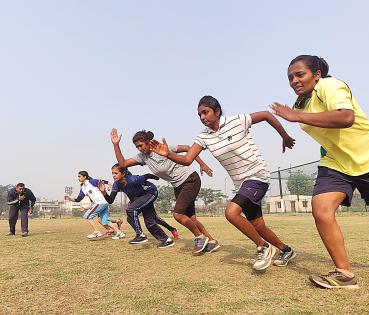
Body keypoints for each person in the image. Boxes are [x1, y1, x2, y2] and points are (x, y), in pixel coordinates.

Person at [270, 54, 369, 289]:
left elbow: (346, 117)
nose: (294, 81)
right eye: (290, 77)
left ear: (317, 74)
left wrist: (296, 116)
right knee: (321, 209)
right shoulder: (301, 103)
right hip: (337, 163)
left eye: (300, 74)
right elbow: (326, 133)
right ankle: (344, 275)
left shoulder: (330, 85)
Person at [150, 96, 296, 271]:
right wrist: (168, 155)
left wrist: (285, 137)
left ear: (217, 111)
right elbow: (188, 159)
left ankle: (263, 247)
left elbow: (266, 115)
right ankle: (286, 250)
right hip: (241, 183)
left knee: (231, 212)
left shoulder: (238, 121)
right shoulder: (203, 137)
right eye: (199, 115)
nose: (202, 117)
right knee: (258, 225)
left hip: (257, 175)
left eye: (205, 112)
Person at [110, 128, 219, 255]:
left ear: (148, 142)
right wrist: (116, 145)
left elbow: (189, 148)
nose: (139, 149)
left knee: (178, 214)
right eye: (136, 147)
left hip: (190, 180)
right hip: (178, 185)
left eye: (140, 145)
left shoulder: (164, 148)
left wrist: (202, 164)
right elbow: (123, 164)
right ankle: (211, 241)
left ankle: (199, 238)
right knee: (191, 218)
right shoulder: (143, 157)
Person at [99, 164, 175, 248]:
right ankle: (166, 240)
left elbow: (147, 176)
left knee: (130, 210)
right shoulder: (116, 184)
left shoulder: (133, 179)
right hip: (140, 197)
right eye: (112, 173)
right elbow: (110, 200)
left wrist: (157, 177)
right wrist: (104, 193)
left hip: (150, 193)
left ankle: (140, 235)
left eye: (116, 173)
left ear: (123, 173)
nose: (113, 175)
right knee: (148, 221)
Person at [67, 171, 125, 240]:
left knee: (88, 216)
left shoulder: (92, 181)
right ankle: (119, 233)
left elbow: (103, 181)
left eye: (79, 176)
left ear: (85, 177)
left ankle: (96, 232)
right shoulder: (83, 188)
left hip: (100, 202)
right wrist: (71, 199)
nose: (78, 178)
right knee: (104, 221)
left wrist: (112, 185)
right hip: (102, 203)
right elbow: (79, 199)